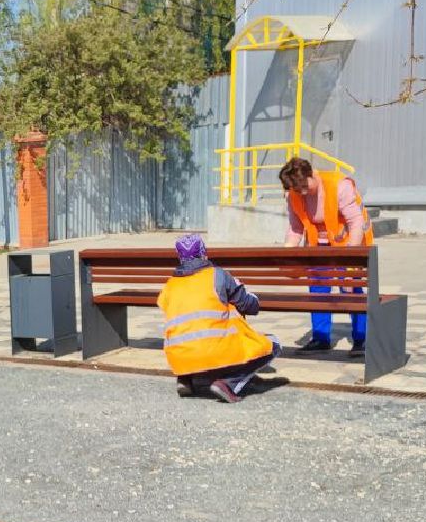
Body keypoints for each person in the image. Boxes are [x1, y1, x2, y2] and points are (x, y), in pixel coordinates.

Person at [159, 233, 280, 404]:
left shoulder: (169, 285)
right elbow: (249, 305)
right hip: (214, 351)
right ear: (204, 253)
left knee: (189, 333)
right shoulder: (218, 276)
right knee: (273, 344)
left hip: (179, 359)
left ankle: (185, 379)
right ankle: (227, 384)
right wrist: (254, 299)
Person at [279, 156, 371, 356]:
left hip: (348, 244)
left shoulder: (339, 186)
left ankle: (362, 339)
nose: (302, 192)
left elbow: (356, 222)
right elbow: (296, 228)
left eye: (305, 186)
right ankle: (320, 338)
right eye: (297, 190)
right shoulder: (294, 195)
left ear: (311, 174)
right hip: (317, 247)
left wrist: (350, 259)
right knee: (318, 291)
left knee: (351, 290)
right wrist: (287, 255)